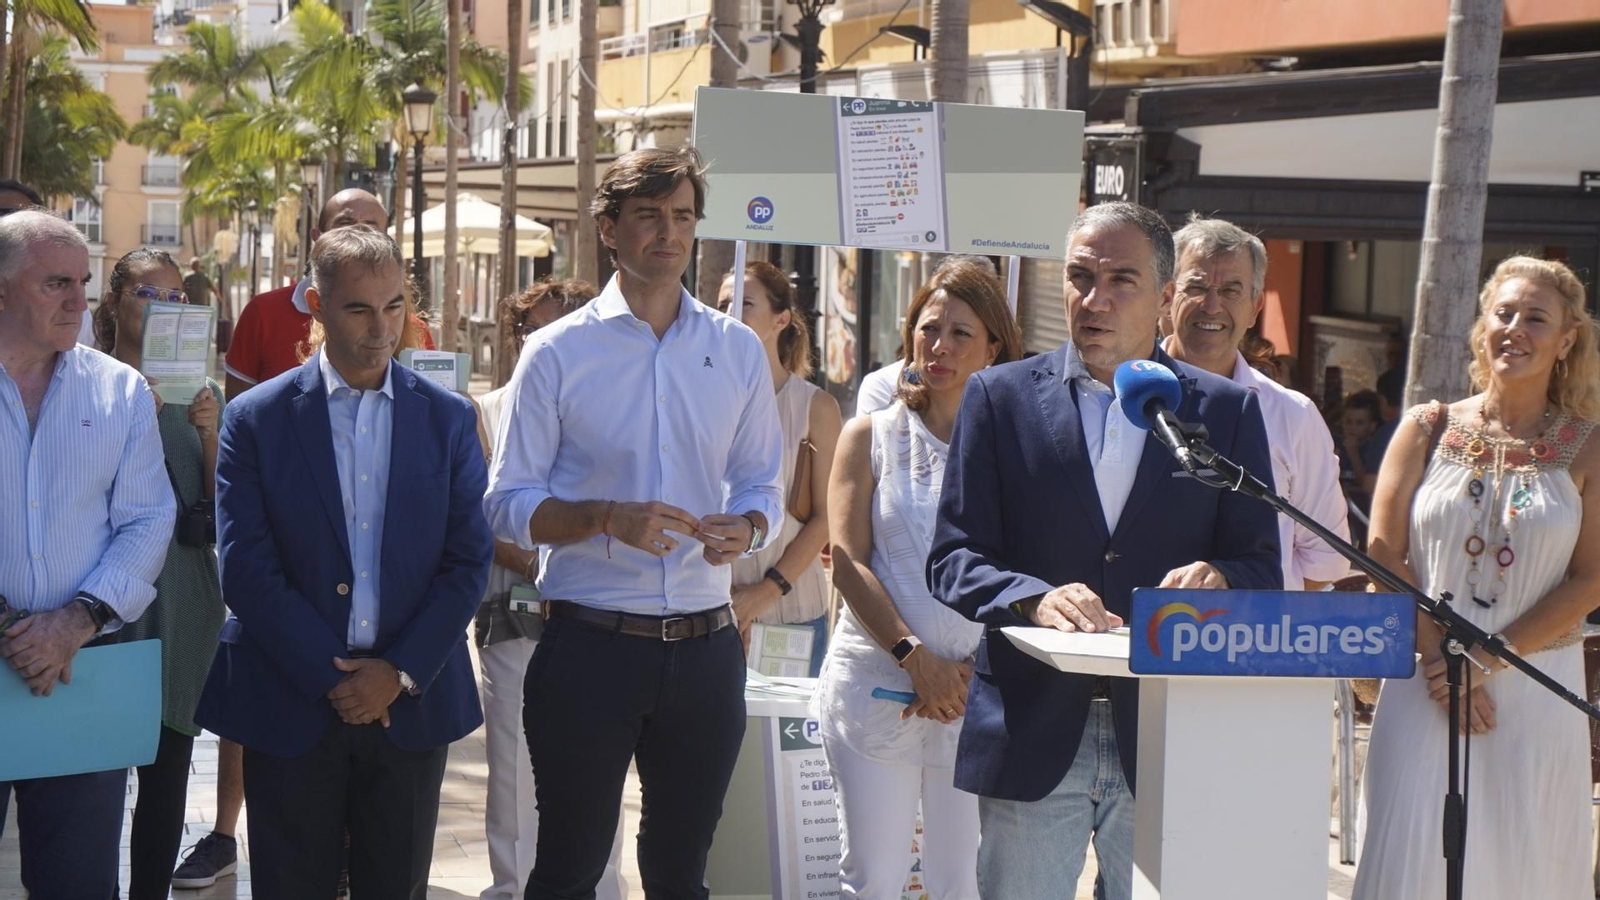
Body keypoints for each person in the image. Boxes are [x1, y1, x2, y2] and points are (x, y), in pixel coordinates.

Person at [926, 201, 1282, 899]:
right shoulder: (999, 399)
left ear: (1165, 296)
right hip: (1032, 725)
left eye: (1121, 280)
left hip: (1168, 728)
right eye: (1081, 276)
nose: (1095, 300)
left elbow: (1260, 565)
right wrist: (1032, 596)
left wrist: (1221, 576)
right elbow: (954, 556)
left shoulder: (1223, 412)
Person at [484, 146, 784, 900]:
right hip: (588, 649)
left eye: (682, 216)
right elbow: (507, 502)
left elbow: (763, 485)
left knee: (682, 877)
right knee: (567, 874)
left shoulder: (738, 350)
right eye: (649, 216)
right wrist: (602, 518)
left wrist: (747, 527)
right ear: (609, 230)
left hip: (707, 649)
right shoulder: (555, 352)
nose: (669, 233)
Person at [193, 225, 492, 899]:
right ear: (316, 305)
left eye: (393, 306)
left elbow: (467, 560)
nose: (381, 327)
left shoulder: (447, 419)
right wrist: (335, 679)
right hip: (290, 703)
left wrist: (398, 672)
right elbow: (245, 569)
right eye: (359, 307)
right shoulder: (256, 419)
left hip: (409, 711)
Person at [1354, 256, 1600, 898]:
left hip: (1535, 693)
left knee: (1528, 866)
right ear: (1483, 325)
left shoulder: (1591, 446)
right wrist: (1444, 667)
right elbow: (1383, 549)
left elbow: (1592, 579)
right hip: (1424, 687)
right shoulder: (1426, 426)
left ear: (1567, 340)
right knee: (1411, 860)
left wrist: (1485, 663)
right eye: (1504, 313)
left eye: (1536, 318)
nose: (1515, 328)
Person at [815, 259, 1022, 899]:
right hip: (879, 683)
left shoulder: (1021, 450)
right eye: (930, 328)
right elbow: (847, 562)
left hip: (976, 693)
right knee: (874, 878)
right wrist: (914, 659)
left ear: (994, 348)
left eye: (963, 333)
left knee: (961, 884)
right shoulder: (868, 436)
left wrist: (961, 674)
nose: (941, 346)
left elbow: (1031, 572)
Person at [0, 210, 176, 897]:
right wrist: (18, 631)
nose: (78, 301)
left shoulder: (120, 391)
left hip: (83, 672)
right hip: (33, 654)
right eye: (55, 285)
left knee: (78, 884)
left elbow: (147, 520)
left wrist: (71, 624)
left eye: (83, 282)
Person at [472, 278, 631, 900]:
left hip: (601, 615)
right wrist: (556, 564)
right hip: (516, 613)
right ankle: (512, 889)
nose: (551, 336)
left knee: (600, 772)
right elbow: (486, 519)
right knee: (513, 766)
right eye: (536, 326)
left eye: (569, 320)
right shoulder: (484, 410)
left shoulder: (615, 408)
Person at [91, 248, 229, 900]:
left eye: (177, 297)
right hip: (106, 601)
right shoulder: (86, 385)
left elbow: (223, 510)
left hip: (186, 598)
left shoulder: (205, 392)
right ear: (115, 300)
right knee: (93, 768)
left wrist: (208, 433)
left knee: (170, 765)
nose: (166, 308)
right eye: (150, 294)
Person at [1161, 215, 1350, 590]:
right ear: (1167, 297)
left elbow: (1324, 561)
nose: (1211, 306)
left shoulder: (1293, 416)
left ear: (1255, 307)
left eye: (1231, 290)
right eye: (1196, 287)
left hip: (1250, 640)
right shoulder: (1118, 397)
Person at [717, 262, 842, 675]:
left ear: (782, 319)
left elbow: (827, 517)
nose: (731, 313)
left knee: (785, 739)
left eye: (745, 303)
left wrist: (766, 591)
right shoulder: (700, 401)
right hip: (711, 609)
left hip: (793, 609)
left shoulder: (815, 407)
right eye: (723, 304)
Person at [221, 189, 433, 400]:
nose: (357, 236)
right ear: (317, 237)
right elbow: (239, 410)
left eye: (370, 227)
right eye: (344, 225)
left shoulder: (411, 330)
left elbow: (431, 411)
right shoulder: (263, 313)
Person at [1338, 389, 1384, 507]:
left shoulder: (1374, 450)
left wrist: (1353, 454)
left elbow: (1365, 485)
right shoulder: (1336, 446)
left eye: (1359, 423)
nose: (1352, 427)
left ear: (1372, 426)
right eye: (1348, 422)